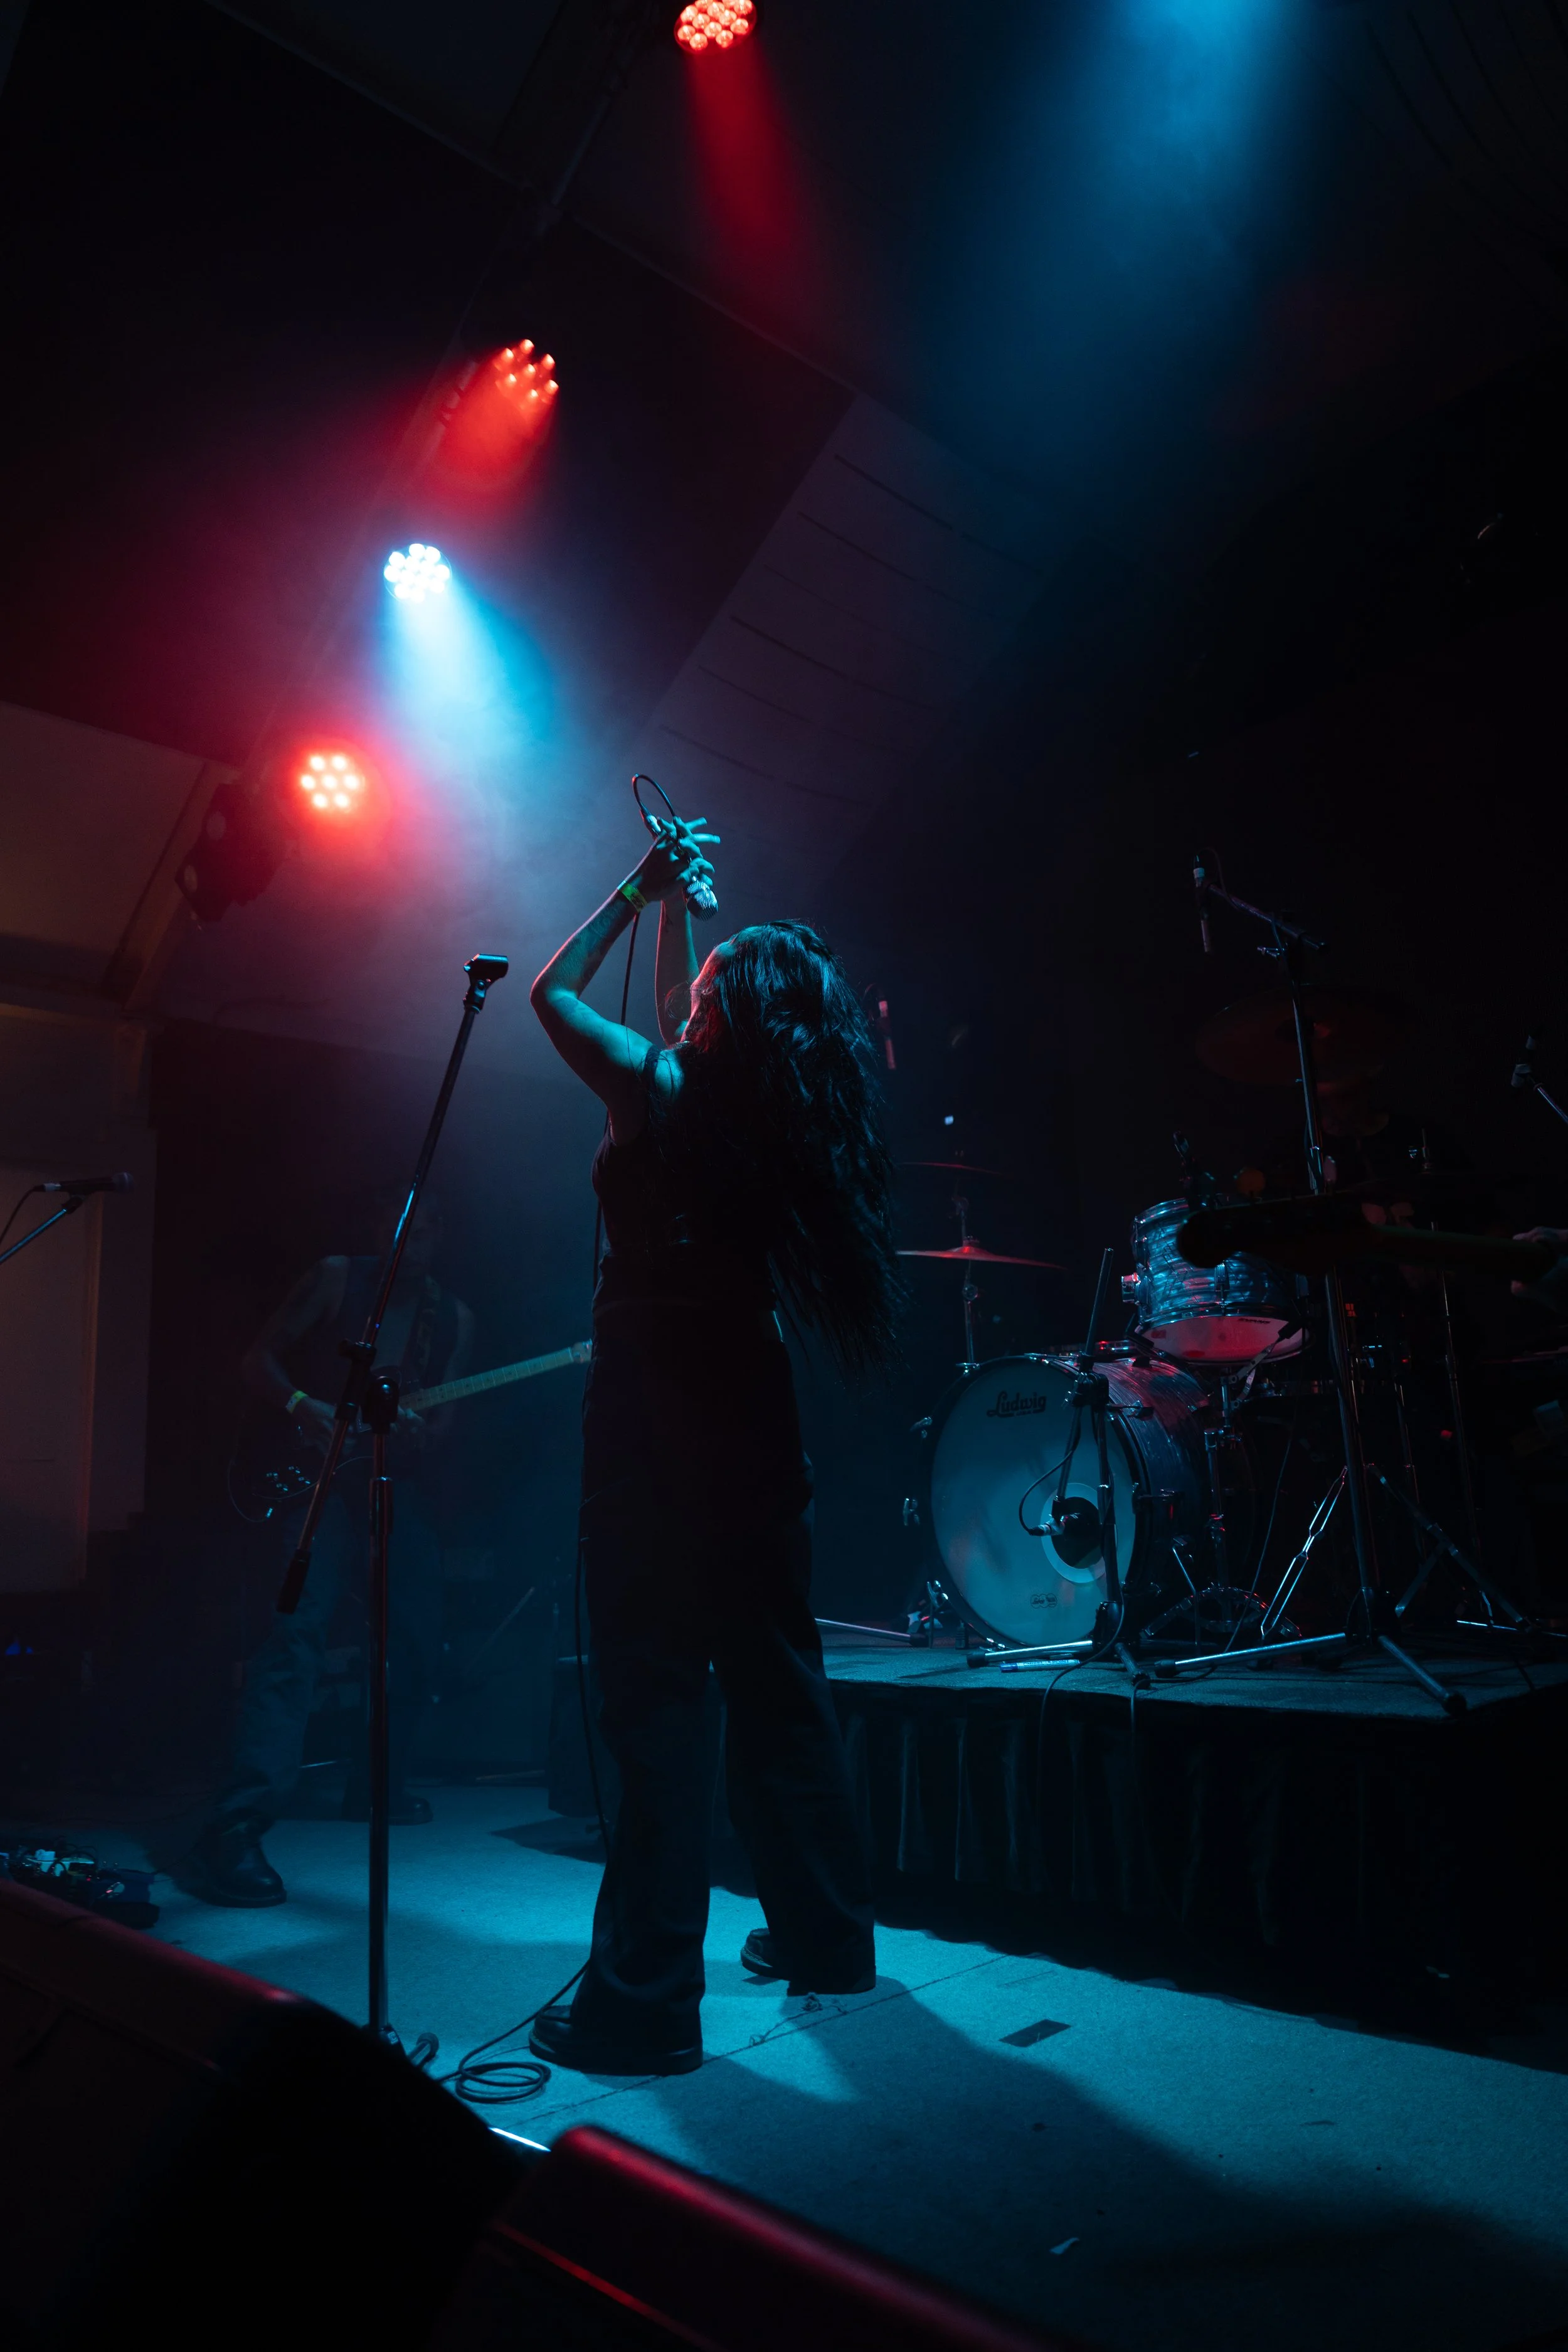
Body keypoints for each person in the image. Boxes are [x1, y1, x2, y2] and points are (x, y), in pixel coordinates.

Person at [527, 815, 901, 2075]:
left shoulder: (656, 1087)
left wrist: (633, 894)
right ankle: (826, 1940)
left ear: (719, 1009)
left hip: (648, 1411)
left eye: (701, 980)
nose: (687, 987)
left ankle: (641, 2003)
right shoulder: (775, 1113)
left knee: (651, 1699)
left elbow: (550, 992)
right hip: (750, 1400)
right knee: (776, 1681)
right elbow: (689, 1031)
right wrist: (688, 917)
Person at [186, 1196, 473, 1907]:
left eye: (429, 1223)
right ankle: (237, 1826)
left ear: (444, 1238)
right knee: (296, 1638)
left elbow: (442, 1429)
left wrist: (419, 1435)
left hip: (389, 1487)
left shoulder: (457, 1322)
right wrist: (301, 1408)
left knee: (418, 1638)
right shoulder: (336, 1279)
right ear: (381, 1227)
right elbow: (257, 1360)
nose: (412, 1234)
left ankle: (373, 1785)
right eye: (400, 1220)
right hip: (314, 1484)